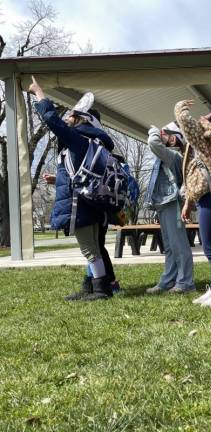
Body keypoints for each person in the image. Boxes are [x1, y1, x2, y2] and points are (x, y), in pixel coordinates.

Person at [29, 76, 114, 301]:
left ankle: (100, 291)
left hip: (81, 206)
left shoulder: (79, 139)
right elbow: (78, 173)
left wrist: (40, 94)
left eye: (70, 116)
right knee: (94, 247)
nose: (67, 118)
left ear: (79, 121)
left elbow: (51, 120)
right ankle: (92, 288)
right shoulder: (92, 142)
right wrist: (56, 179)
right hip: (91, 203)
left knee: (90, 250)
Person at [175, 100, 211, 307]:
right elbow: (194, 176)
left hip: (210, 197)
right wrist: (188, 202)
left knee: (210, 246)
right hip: (204, 196)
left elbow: (185, 121)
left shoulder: (206, 138)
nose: (201, 118)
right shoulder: (201, 144)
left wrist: (181, 107)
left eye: (206, 117)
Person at [144, 121, 195, 294]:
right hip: (163, 203)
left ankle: (185, 283)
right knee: (169, 246)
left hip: (172, 203)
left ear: (173, 139)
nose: (159, 135)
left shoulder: (174, 156)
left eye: (164, 133)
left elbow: (153, 142)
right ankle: (168, 280)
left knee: (179, 245)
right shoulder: (165, 157)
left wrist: (153, 130)